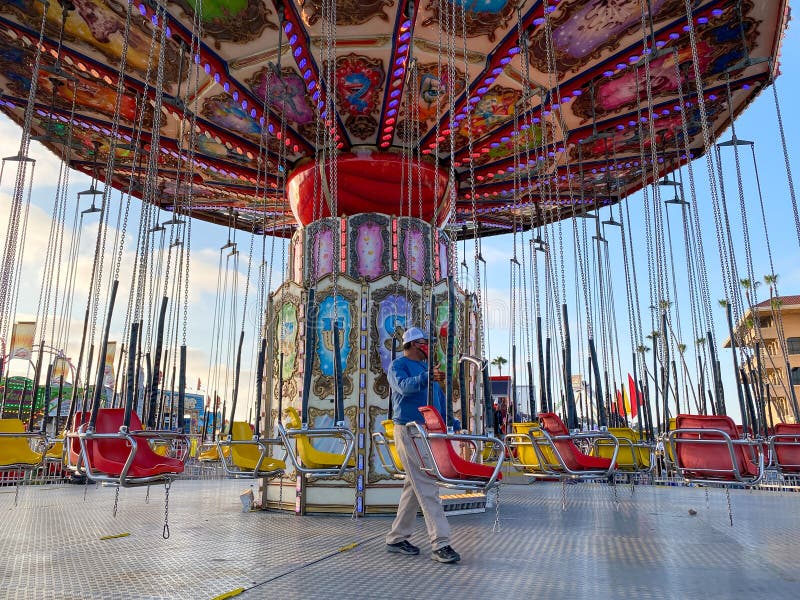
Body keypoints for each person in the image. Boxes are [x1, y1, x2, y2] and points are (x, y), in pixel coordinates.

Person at [384, 326, 461, 564]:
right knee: (427, 485)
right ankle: (441, 543)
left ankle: (397, 537)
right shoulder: (398, 366)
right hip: (409, 430)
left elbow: (437, 399)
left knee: (414, 485)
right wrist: (427, 376)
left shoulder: (429, 371)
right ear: (415, 344)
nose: (428, 346)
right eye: (424, 342)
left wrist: (453, 422)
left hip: (426, 433)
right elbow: (404, 388)